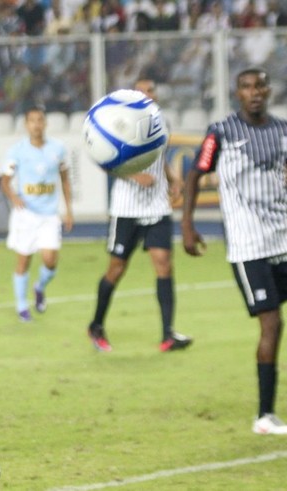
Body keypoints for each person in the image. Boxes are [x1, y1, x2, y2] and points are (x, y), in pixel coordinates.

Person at [182, 67, 287, 435]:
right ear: (237, 93)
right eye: (246, 87)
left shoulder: (282, 130)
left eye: (260, 85)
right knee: (271, 323)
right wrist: (188, 224)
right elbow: (196, 174)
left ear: (268, 90)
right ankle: (264, 415)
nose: (255, 92)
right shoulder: (222, 132)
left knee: (278, 325)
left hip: (283, 239)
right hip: (249, 245)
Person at [87, 78, 193, 352]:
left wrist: (172, 178)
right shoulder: (119, 121)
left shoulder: (161, 122)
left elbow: (162, 155)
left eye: (152, 90)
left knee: (164, 264)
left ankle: (168, 334)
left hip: (157, 206)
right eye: (143, 91)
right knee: (117, 269)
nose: (149, 94)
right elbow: (104, 160)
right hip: (126, 209)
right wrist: (134, 175)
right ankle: (96, 325)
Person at [0, 105, 74, 323]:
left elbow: (65, 178)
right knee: (23, 260)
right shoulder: (17, 151)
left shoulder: (58, 149)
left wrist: (69, 210)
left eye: (40, 120)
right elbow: (5, 181)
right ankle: (22, 305)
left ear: (45, 123)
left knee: (50, 260)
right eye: (32, 121)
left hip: (50, 215)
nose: (36, 125)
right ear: (26, 124)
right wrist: (14, 198)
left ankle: (39, 287)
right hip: (26, 215)